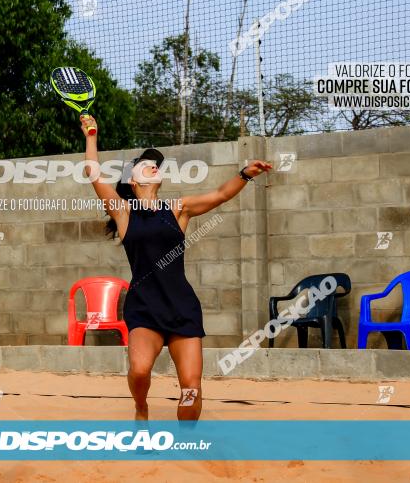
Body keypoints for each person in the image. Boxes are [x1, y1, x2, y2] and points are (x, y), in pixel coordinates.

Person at [80, 114, 271, 421]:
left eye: (155, 163)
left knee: (191, 392)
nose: (153, 165)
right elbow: (93, 174)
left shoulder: (178, 209)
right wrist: (91, 135)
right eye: (145, 163)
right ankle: (141, 407)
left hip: (181, 307)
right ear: (132, 179)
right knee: (140, 371)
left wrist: (245, 174)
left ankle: (184, 443)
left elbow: (221, 195)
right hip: (144, 308)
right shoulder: (123, 212)